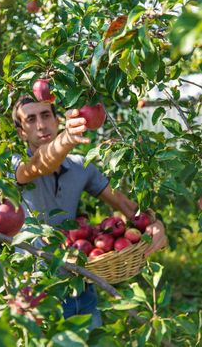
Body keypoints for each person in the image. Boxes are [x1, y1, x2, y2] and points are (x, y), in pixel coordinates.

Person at [11, 95, 167, 330]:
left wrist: (155, 223)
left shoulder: (80, 165)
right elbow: (39, 166)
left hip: (81, 283)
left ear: (57, 119)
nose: (41, 125)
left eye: (46, 115)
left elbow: (126, 206)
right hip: (37, 289)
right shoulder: (14, 164)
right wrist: (65, 140)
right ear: (22, 132)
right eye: (30, 119)